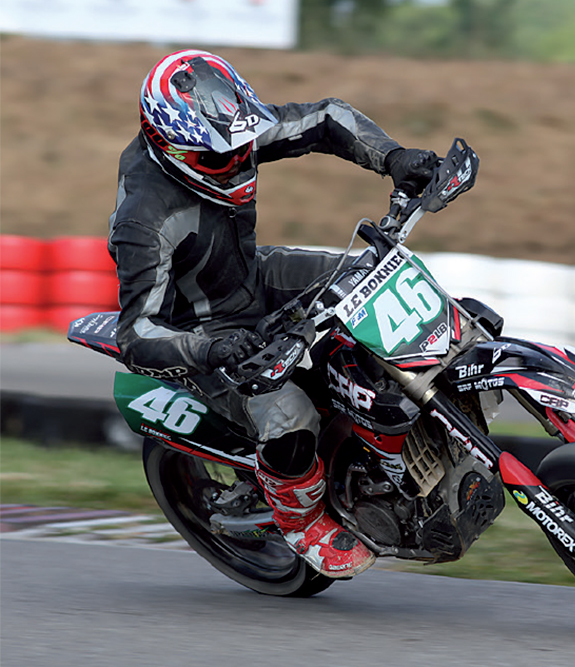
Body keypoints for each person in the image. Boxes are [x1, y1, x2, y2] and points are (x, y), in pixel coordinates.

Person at [109, 49, 439, 578]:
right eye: (225, 157)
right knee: (289, 417)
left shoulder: (226, 134)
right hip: (203, 334)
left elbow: (327, 118)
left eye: (244, 147)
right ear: (174, 149)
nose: (240, 161)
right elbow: (136, 333)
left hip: (250, 275)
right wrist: (212, 348)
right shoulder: (144, 220)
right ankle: (301, 518)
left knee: (374, 278)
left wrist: (393, 156)